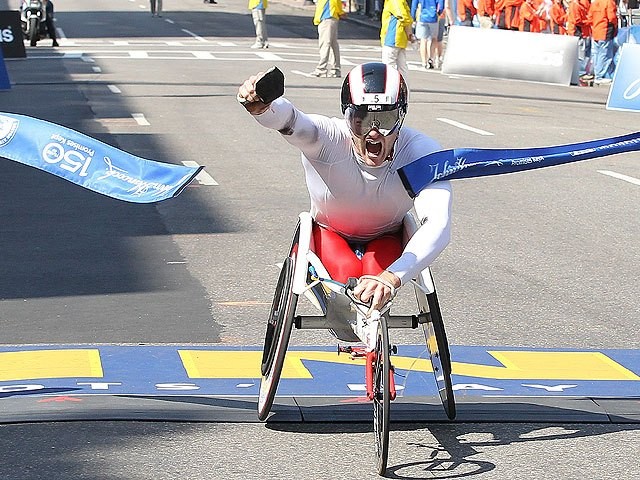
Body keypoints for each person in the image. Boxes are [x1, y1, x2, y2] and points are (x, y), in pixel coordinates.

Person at [237, 62, 452, 312]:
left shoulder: (421, 152)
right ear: (347, 116)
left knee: (374, 284)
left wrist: (391, 277)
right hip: (329, 233)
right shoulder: (327, 137)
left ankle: (373, 343)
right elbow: (291, 119)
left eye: (384, 119)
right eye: (361, 119)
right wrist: (262, 104)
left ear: (401, 117)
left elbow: (439, 224)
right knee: (345, 276)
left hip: (387, 237)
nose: (373, 133)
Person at [381, 0, 416, 81]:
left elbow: (404, 17)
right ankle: (404, 89)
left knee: (389, 67)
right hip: (398, 39)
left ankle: (392, 89)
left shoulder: (394, 1)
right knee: (402, 67)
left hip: (393, 38)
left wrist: (409, 34)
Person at [310, 0, 346, 78]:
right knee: (333, 45)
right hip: (329, 18)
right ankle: (335, 70)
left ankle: (321, 69)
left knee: (325, 44)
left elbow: (334, 2)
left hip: (326, 18)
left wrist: (340, 12)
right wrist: (340, 12)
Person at [588, 0, 618, 84]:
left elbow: (590, 18)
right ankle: (599, 76)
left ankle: (597, 74)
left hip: (596, 31)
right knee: (605, 54)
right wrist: (615, 26)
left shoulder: (595, 3)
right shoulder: (609, 2)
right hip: (605, 31)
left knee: (597, 54)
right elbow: (612, 18)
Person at [411, 0, 444, 70]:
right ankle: (431, 58)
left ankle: (424, 62)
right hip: (433, 17)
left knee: (423, 40)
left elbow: (414, 5)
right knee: (434, 39)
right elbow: (441, 5)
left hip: (422, 17)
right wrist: (438, 13)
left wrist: (413, 17)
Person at [566, 0, 592, 78]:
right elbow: (577, 21)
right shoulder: (575, 5)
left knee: (581, 54)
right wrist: (589, 21)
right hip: (577, 33)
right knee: (580, 55)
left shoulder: (577, 4)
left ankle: (580, 72)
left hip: (579, 32)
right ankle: (580, 73)